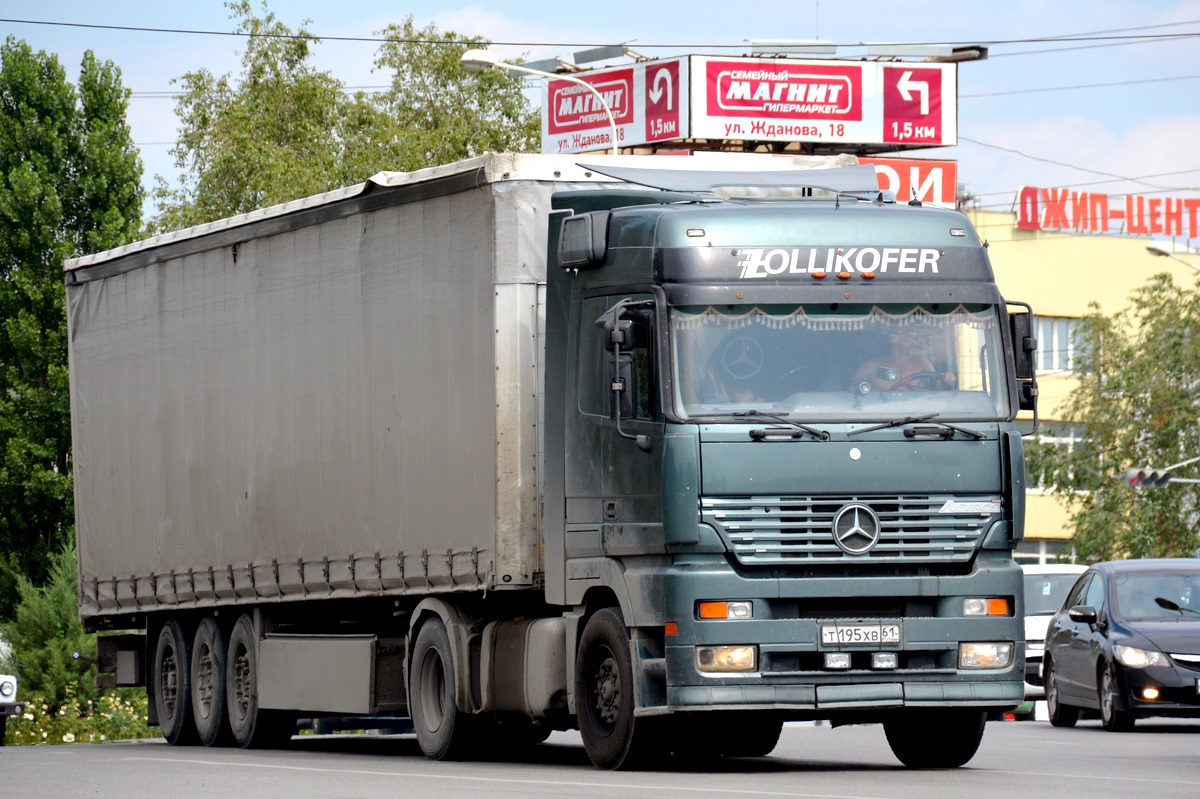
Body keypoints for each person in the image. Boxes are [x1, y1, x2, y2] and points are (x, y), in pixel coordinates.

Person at [850, 327, 956, 393]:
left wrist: (948, 381)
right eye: (908, 338)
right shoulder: (870, 366)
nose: (913, 343)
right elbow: (850, 395)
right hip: (880, 420)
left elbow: (938, 390)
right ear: (893, 339)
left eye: (914, 339)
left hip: (916, 419)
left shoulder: (921, 363)